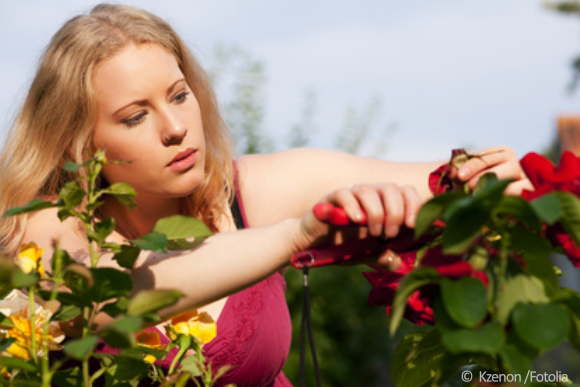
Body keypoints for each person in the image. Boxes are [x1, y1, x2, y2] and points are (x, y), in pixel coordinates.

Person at [0, 4, 531, 386]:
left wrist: (488, 180)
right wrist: (297, 233)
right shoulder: (38, 230)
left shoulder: (237, 193)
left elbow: (443, 186)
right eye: (136, 116)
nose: (176, 127)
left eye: (180, 96)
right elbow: (115, 298)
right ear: (77, 144)